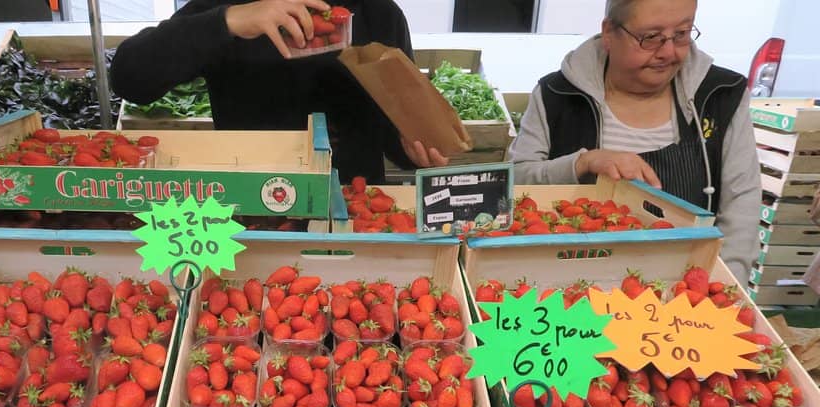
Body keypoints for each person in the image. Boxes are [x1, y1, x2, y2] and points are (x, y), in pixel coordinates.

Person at [509, 0, 760, 284]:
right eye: (650, 37)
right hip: (563, 289)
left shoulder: (721, 96)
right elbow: (515, 182)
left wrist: (722, 287)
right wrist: (583, 162)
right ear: (609, 33)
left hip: (683, 291)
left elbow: (742, 204)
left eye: (681, 34)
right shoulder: (556, 95)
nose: (668, 52)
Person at [109, 0, 448, 184]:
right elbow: (129, 77)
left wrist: (413, 150)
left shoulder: (379, 14)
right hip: (251, 206)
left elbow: (395, 127)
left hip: (354, 209)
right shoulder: (232, 9)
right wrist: (229, 21)